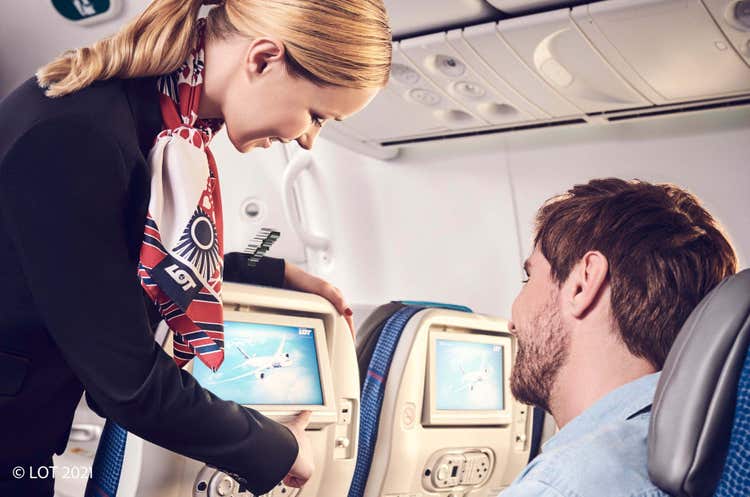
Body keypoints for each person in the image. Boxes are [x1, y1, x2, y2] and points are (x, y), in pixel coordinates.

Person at [0, 0, 391, 496]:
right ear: (263, 58)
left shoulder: (147, 122)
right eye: (317, 115)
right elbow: (130, 383)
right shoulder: (78, 134)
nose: (310, 140)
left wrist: (265, 272)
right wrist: (279, 447)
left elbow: (106, 256)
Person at [502, 178, 737, 497]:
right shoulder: (721, 447)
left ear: (583, 284)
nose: (510, 323)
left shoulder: (561, 484)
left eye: (528, 278)